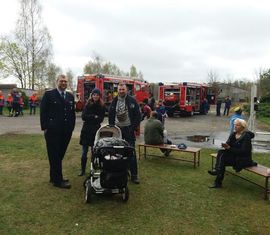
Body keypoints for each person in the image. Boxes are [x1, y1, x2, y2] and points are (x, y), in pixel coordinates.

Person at [40, 74, 76, 189]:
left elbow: (72, 113)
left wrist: (71, 127)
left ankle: (53, 176)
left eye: (65, 81)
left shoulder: (70, 96)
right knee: (54, 155)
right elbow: (43, 112)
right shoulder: (49, 94)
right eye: (61, 81)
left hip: (66, 132)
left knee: (59, 155)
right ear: (57, 82)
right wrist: (45, 127)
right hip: (52, 131)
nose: (64, 83)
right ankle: (58, 181)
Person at [208, 119, 257, 188]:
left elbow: (244, 152)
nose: (235, 126)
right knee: (221, 153)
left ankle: (217, 176)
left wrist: (229, 148)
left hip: (242, 159)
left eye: (237, 125)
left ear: (243, 127)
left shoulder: (246, 136)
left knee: (222, 160)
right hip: (234, 156)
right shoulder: (233, 134)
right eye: (234, 124)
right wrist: (225, 145)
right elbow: (228, 144)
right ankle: (217, 177)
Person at [108, 83, 141, 184]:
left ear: (126, 90)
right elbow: (110, 114)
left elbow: (138, 115)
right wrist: (112, 127)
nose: (121, 91)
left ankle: (134, 175)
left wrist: (133, 128)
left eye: (123, 89)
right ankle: (120, 172)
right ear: (117, 90)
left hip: (128, 129)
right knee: (116, 151)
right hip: (117, 130)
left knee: (131, 151)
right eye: (120, 89)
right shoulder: (114, 101)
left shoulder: (132, 100)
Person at [78, 88, 105, 176]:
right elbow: (83, 117)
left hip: (95, 131)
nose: (95, 96)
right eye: (94, 94)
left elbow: (100, 119)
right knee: (84, 152)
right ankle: (82, 170)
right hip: (86, 130)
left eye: (97, 95)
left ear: (99, 96)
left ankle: (92, 169)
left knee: (94, 152)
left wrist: (92, 118)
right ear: (91, 95)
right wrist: (94, 117)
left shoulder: (101, 106)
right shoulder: (87, 104)